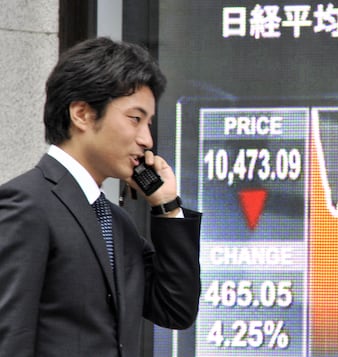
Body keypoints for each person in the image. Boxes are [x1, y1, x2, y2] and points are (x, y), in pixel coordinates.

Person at [0, 37, 201, 356]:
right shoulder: (26, 204)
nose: (146, 139)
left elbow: (175, 309)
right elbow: (10, 337)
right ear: (82, 114)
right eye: (135, 119)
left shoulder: (114, 220)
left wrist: (168, 207)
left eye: (148, 123)